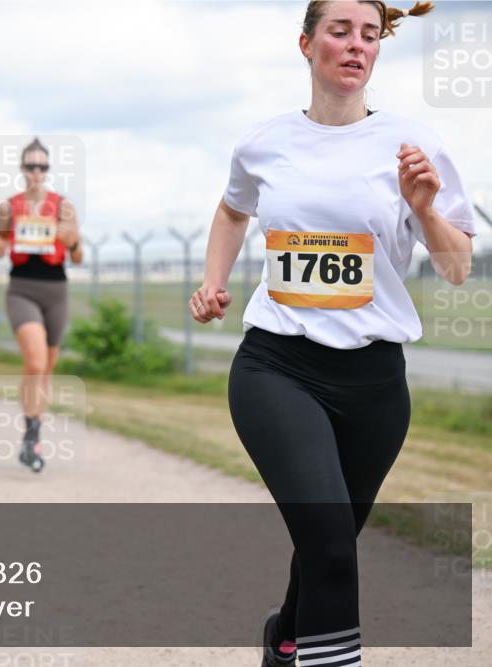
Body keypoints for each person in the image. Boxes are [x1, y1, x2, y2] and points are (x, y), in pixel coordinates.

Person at [190, 3, 474, 666]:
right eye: (340, 32)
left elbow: (458, 267)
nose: (355, 46)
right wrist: (212, 281)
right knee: (332, 549)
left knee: (330, 542)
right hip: (277, 368)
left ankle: (285, 641)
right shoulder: (263, 143)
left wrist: (426, 209)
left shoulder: (411, 144)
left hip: (374, 384)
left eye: (369, 35)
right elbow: (232, 209)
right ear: (306, 44)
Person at [0, 138, 82, 472]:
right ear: (22, 169)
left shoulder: (63, 206)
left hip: (56, 289)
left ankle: (33, 435)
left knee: (46, 369)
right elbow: (1, 239)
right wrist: (0, 244)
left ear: (48, 170)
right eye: (31, 166)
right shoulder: (8, 207)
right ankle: (31, 429)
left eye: (42, 166)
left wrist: (67, 236)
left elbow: (77, 253)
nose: (36, 172)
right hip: (22, 288)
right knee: (35, 360)